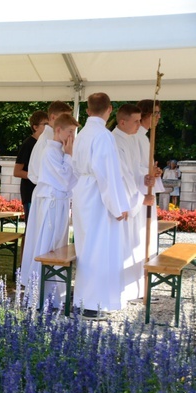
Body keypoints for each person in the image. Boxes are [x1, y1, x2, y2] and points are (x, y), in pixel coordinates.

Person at [71, 93, 130, 320]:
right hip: (97, 195)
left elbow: (77, 168)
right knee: (98, 249)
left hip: (84, 191)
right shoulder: (103, 136)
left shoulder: (83, 134)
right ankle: (92, 304)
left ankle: (85, 299)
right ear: (110, 109)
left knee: (86, 247)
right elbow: (108, 175)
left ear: (87, 110)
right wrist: (117, 207)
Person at [20, 114, 79, 310]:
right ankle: (40, 294)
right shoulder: (50, 152)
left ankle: (54, 294)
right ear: (58, 130)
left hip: (59, 202)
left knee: (56, 245)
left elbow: (70, 180)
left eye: (74, 132)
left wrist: (69, 155)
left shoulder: (60, 151)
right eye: (70, 131)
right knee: (47, 244)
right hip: (51, 204)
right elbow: (63, 180)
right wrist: (70, 156)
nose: (72, 136)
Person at [112, 104, 154, 305]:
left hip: (131, 199)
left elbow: (134, 171)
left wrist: (145, 178)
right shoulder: (115, 141)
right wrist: (138, 200)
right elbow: (122, 176)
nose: (140, 125)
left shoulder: (129, 139)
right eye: (136, 121)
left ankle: (130, 288)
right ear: (122, 122)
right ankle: (120, 288)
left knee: (130, 245)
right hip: (123, 202)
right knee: (121, 247)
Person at [134, 99, 164, 256]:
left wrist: (155, 171)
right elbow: (132, 168)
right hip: (139, 194)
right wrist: (149, 171)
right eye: (156, 113)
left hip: (146, 190)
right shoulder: (135, 137)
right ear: (146, 114)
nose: (159, 117)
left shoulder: (144, 137)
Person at [26, 101, 73, 185]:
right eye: (65, 118)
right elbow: (36, 173)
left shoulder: (58, 137)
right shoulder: (45, 141)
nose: (68, 121)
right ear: (53, 117)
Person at [13, 111, 48, 221]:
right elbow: (17, 171)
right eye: (45, 124)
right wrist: (38, 177)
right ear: (35, 127)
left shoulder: (46, 143)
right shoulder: (28, 144)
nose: (48, 128)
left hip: (42, 191)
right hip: (30, 192)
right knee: (31, 227)